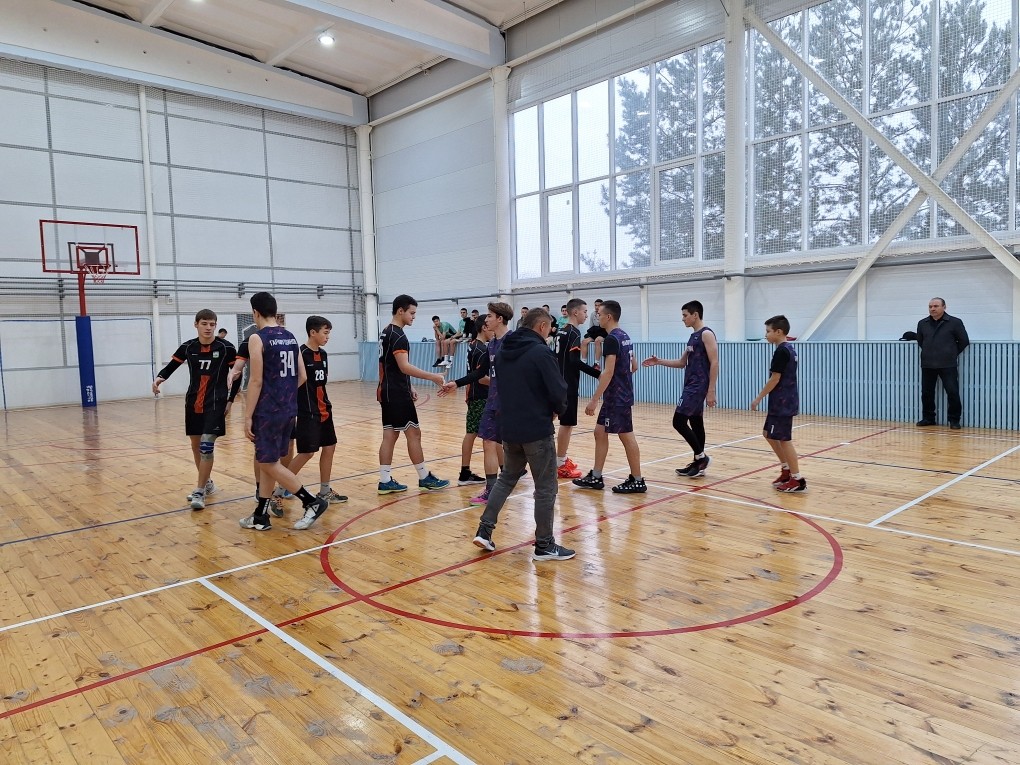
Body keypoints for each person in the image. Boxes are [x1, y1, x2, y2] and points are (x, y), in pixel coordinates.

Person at [471, 308, 574, 561]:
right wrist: (558, 409)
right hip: (536, 428)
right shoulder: (541, 352)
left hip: (509, 428)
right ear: (541, 326)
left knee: (507, 479)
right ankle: (545, 545)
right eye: (549, 328)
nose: (549, 333)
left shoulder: (503, 350)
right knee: (546, 487)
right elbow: (558, 390)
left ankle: (484, 530)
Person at [239, 292, 331, 531]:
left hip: (267, 411)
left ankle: (311, 502)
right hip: (289, 408)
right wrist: (285, 393)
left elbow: (255, 380)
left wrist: (247, 416)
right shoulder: (290, 337)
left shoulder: (257, 338)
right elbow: (302, 376)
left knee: (267, 462)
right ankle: (260, 515)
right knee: (270, 461)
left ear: (255, 312)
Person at [153, 309, 236, 510]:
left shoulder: (226, 348)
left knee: (207, 444)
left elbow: (238, 374)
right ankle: (207, 483)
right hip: (193, 402)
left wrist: (230, 400)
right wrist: (159, 378)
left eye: (212, 324)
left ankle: (199, 491)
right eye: (204, 324)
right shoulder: (188, 347)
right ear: (196, 324)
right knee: (196, 444)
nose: (208, 328)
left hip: (216, 402)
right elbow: (172, 365)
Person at [438, 302, 513, 504]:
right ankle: (492, 489)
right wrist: (456, 383)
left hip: (509, 402)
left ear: (500, 319)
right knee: (488, 442)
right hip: (491, 401)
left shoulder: (513, 341)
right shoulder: (492, 344)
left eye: (489, 316)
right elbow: (479, 373)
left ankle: (517, 480)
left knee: (515, 444)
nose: (485, 319)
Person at [379, 295, 451, 494]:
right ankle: (424, 477)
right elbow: (404, 366)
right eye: (411, 313)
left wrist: (409, 386)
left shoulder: (386, 331)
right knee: (414, 433)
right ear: (400, 311)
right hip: (396, 393)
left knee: (390, 435)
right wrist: (433, 376)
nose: (414, 317)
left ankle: (385, 480)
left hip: (386, 390)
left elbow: (392, 366)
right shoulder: (398, 335)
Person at [572, 300, 646, 493]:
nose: (597, 317)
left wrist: (594, 399)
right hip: (619, 394)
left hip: (617, 397)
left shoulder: (612, 339)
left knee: (626, 435)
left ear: (609, 316)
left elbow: (608, 372)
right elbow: (634, 366)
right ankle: (596, 476)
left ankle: (637, 480)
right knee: (599, 432)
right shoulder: (624, 336)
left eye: (599, 314)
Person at [642, 300, 719, 478]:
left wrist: (711, 390)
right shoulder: (693, 336)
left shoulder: (706, 334)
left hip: (698, 386)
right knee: (696, 422)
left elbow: (715, 362)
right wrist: (659, 361)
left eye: (685, 315)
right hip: (691, 384)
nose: (683, 319)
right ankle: (698, 463)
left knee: (678, 421)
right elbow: (682, 362)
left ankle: (701, 458)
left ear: (695, 315)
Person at [286, 316, 347, 505]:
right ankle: (278, 492)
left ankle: (325, 491)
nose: (328, 337)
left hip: (325, 410)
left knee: (329, 447)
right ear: (313, 332)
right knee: (307, 452)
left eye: (329, 333)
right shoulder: (300, 354)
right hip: (307, 411)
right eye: (325, 333)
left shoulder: (324, 354)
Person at [750, 315, 806, 492]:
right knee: (768, 433)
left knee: (784, 439)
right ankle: (786, 469)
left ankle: (797, 479)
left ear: (779, 332)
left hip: (783, 402)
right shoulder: (789, 348)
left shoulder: (782, 351)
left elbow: (775, 378)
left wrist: (758, 397)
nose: (765, 335)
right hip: (782, 401)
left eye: (768, 331)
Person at [554, 298, 601, 479]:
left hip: (557, 381)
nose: (586, 315)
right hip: (567, 384)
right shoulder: (574, 332)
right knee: (566, 424)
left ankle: (558, 459)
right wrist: (597, 374)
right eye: (584, 311)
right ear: (575, 312)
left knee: (556, 420)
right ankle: (560, 464)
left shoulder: (561, 331)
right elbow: (574, 362)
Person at [442, 318, 492, 486]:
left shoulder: (473, 345)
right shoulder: (481, 349)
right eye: (491, 327)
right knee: (488, 436)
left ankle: (465, 472)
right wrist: (500, 383)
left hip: (473, 394)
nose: (493, 331)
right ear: (484, 327)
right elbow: (481, 378)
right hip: (480, 396)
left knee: (473, 433)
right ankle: (468, 473)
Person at [916, 297, 969, 429]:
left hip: (947, 364)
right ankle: (928, 418)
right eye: (930, 306)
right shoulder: (922, 323)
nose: (932, 309)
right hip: (928, 364)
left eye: (936, 306)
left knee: (952, 392)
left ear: (944, 307)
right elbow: (921, 341)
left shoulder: (955, 322)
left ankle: (954, 420)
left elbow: (964, 341)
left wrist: (951, 353)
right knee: (927, 393)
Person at [581, 298, 607, 363]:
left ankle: (596, 362)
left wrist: (599, 317)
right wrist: (589, 334)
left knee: (597, 341)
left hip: (603, 332)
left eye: (599, 305)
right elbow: (591, 326)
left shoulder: (605, 314)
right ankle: (584, 361)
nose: (597, 307)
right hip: (595, 332)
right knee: (584, 341)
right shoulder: (593, 314)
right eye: (596, 305)